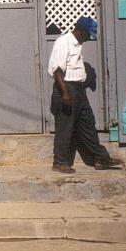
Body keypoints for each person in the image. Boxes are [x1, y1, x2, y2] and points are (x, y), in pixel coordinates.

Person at [48, 17, 118, 174]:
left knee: (88, 125)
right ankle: (59, 162)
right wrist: (65, 94)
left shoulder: (78, 44)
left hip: (78, 91)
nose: (88, 38)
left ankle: (101, 158)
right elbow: (58, 70)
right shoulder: (63, 42)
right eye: (88, 34)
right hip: (65, 89)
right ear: (80, 30)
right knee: (65, 128)